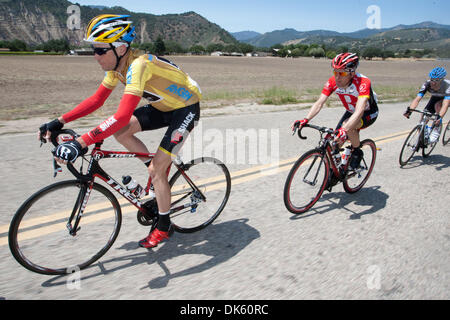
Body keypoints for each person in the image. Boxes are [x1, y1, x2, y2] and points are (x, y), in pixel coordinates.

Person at [38, 14, 202, 249]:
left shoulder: (138, 66)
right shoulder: (117, 67)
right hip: (162, 106)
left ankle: (164, 225)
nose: (95, 56)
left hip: (184, 109)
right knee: (122, 133)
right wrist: (58, 120)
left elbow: (122, 115)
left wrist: (81, 142)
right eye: (94, 49)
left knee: (157, 168)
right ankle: (156, 174)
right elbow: (96, 100)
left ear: (121, 48)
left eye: (100, 50)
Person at [293, 52, 379, 169]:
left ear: (352, 72)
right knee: (335, 142)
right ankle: (338, 170)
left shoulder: (363, 82)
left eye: (342, 73)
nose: (337, 77)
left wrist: (345, 129)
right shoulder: (333, 81)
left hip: (368, 113)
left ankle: (357, 152)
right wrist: (305, 119)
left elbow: (359, 110)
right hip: (351, 111)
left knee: (348, 127)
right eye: (335, 72)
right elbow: (319, 103)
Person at [403, 67, 450, 143]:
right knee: (424, 117)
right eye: (432, 79)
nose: (433, 82)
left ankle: (436, 129)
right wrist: (410, 110)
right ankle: (422, 139)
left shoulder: (447, 86)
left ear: (442, 80)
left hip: (447, 98)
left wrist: (440, 117)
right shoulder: (427, 84)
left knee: (438, 106)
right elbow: (417, 99)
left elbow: (445, 104)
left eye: (437, 80)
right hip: (436, 97)